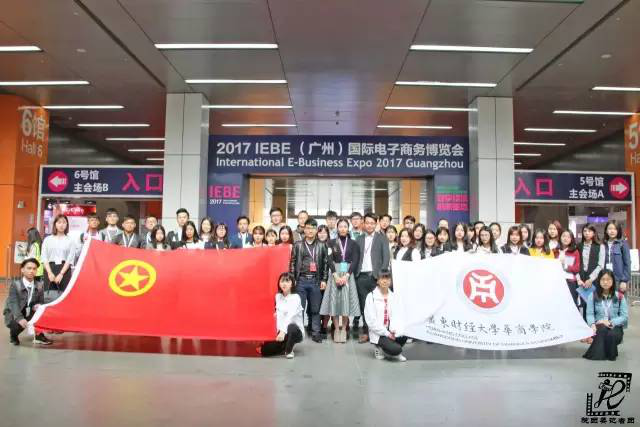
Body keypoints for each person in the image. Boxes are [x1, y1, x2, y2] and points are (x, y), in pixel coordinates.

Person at [320, 218, 361, 343]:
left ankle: (344, 329)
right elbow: (329, 259)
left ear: (348, 228)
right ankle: (336, 329)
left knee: (346, 302)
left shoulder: (354, 243)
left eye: (345, 226)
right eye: (340, 226)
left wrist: (347, 275)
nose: (343, 229)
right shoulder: (331, 242)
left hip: (348, 273)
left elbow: (355, 260)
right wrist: (335, 275)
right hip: (335, 274)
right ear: (337, 228)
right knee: (334, 302)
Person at [289, 219, 329, 343]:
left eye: (312, 228)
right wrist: (292, 279)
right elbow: (292, 262)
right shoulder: (298, 245)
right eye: (308, 228)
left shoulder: (322, 245)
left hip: (315, 281)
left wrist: (324, 279)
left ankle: (316, 333)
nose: (310, 230)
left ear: (316, 230)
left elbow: (325, 263)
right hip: (300, 280)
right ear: (304, 230)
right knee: (299, 308)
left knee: (315, 309)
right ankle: (299, 333)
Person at [355, 213, 391, 343]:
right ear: (363, 224)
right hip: (361, 277)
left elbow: (386, 258)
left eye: (372, 223)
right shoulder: (359, 239)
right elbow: (355, 258)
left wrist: (381, 276)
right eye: (367, 223)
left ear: (376, 224)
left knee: (378, 306)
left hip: (376, 277)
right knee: (365, 306)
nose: (369, 225)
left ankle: (380, 331)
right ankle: (366, 332)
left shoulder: (382, 238)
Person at [3, 258, 52, 346]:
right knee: (15, 323)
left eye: (34, 269)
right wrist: (19, 318)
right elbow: (13, 303)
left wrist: (37, 306)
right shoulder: (15, 285)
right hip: (14, 312)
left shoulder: (39, 285)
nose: (31, 271)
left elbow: (41, 302)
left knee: (40, 311)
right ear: (22, 270)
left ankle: (39, 335)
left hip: (29, 311)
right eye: (29, 268)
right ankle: (13, 335)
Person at [583, 270, 628, 361]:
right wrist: (592, 324)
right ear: (599, 281)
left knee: (611, 334)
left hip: (615, 327)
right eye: (603, 279)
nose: (605, 282)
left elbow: (624, 316)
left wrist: (611, 322)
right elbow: (589, 314)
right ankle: (610, 353)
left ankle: (601, 353)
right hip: (599, 327)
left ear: (613, 281)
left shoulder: (620, 296)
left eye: (608, 279)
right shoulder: (592, 296)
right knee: (603, 328)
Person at [364, 269, 407, 362]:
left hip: (390, 329)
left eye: (387, 278)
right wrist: (387, 333)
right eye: (382, 278)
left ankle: (390, 348)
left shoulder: (394, 296)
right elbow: (371, 321)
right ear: (378, 281)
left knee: (404, 335)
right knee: (396, 349)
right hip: (379, 332)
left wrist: (395, 329)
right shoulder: (371, 297)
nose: (385, 281)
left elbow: (397, 315)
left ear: (390, 281)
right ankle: (379, 347)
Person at [259, 273, 304, 359]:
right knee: (265, 351)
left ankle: (289, 350)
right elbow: (278, 316)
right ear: (279, 283)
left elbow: (290, 316)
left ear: (292, 284)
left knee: (291, 327)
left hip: (295, 331)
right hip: (282, 331)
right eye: (282, 281)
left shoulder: (296, 298)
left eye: (287, 281)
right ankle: (284, 346)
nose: (284, 284)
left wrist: (283, 332)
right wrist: (278, 333)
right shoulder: (278, 296)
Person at [577, 224, 605, 324]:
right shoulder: (579, 246)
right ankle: (586, 327)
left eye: (589, 231)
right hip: (581, 279)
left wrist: (591, 279)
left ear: (594, 233)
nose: (587, 233)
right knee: (583, 304)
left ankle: (595, 326)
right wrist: (579, 278)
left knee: (594, 303)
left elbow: (600, 265)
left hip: (594, 279)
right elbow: (577, 263)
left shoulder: (600, 246)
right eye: (585, 231)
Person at [41, 215, 75, 294]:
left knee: (64, 295)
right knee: (49, 295)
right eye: (59, 222)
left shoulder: (70, 240)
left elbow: (70, 259)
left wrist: (61, 274)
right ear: (55, 224)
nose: (61, 225)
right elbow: (44, 257)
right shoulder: (47, 240)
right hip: (49, 269)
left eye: (64, 222)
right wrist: (49, 273)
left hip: (64, 270)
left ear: (67, 225)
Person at [602, 220, 631, 293]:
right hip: (604, 279)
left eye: (615, 229)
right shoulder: (602, 244)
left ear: (618, 231)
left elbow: (627, 263)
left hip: (618, 280)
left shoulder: (622, 244)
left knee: (619, 299)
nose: (612, 231)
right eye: (610, 229)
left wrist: (624, 280)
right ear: (606, 231)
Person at [557, 230, 581, 308]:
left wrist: (565, 265)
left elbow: (577, 268)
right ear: (560, 237)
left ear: (571, 239)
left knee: (572, 305)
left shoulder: (575, 251)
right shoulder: (555, 251)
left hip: (570, 281)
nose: (565, 238)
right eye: (564, 236)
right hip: (558, 281)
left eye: (568, 237)